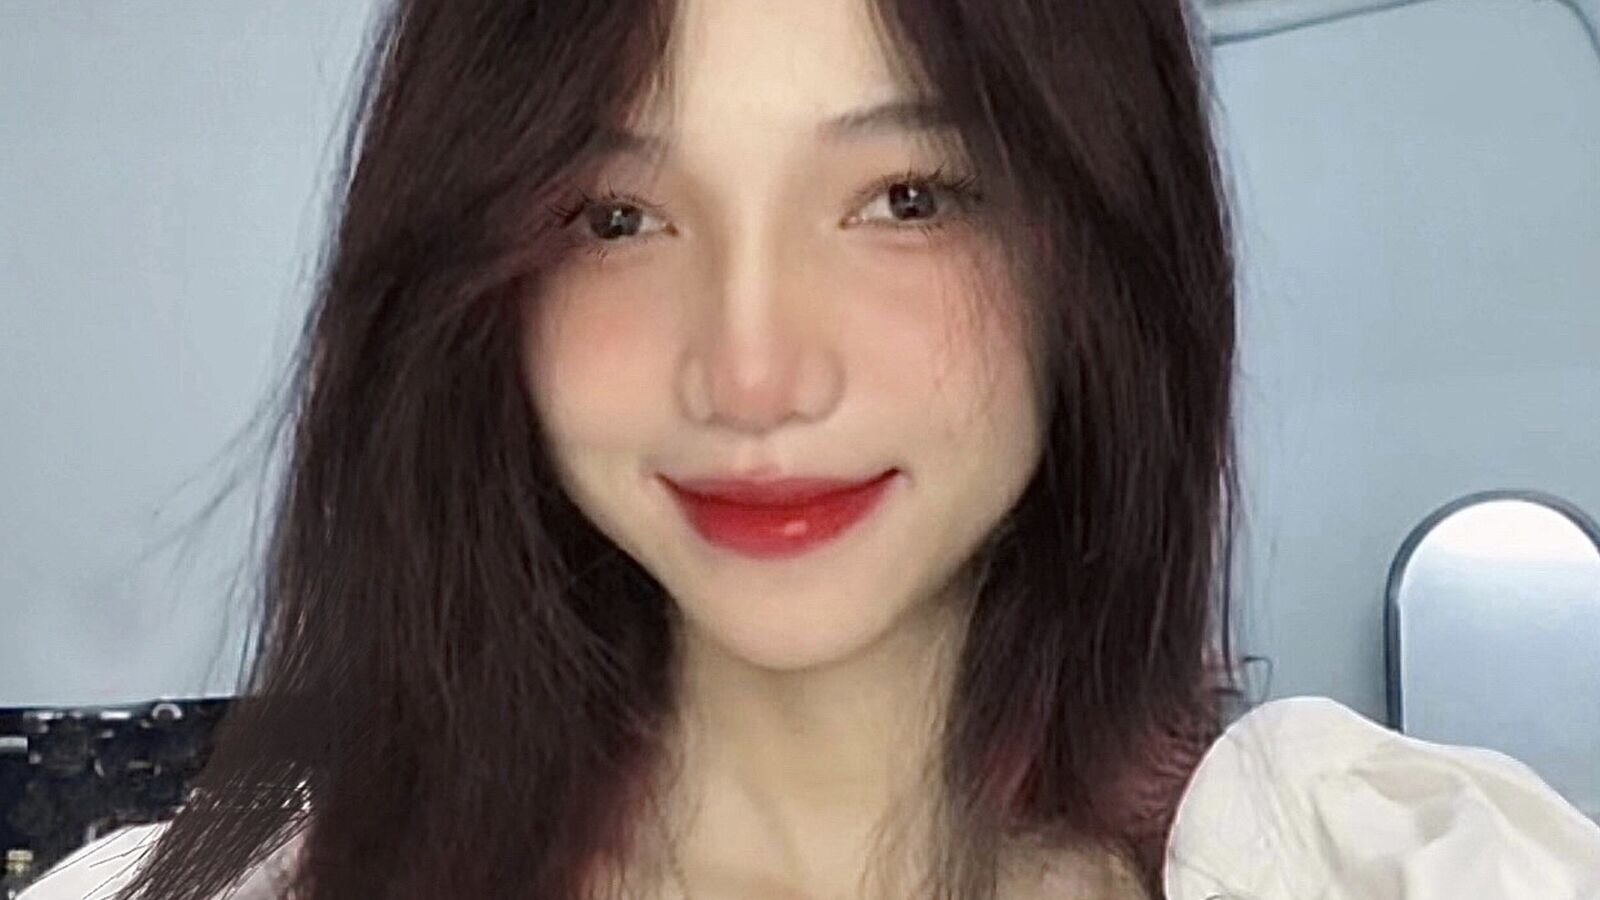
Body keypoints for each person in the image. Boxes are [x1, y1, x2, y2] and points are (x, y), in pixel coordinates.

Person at [19, 0, 1600, 897]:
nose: (754, 374)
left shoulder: (1384, 864)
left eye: (906, 198)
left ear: (1096, 251)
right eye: (615, 216)